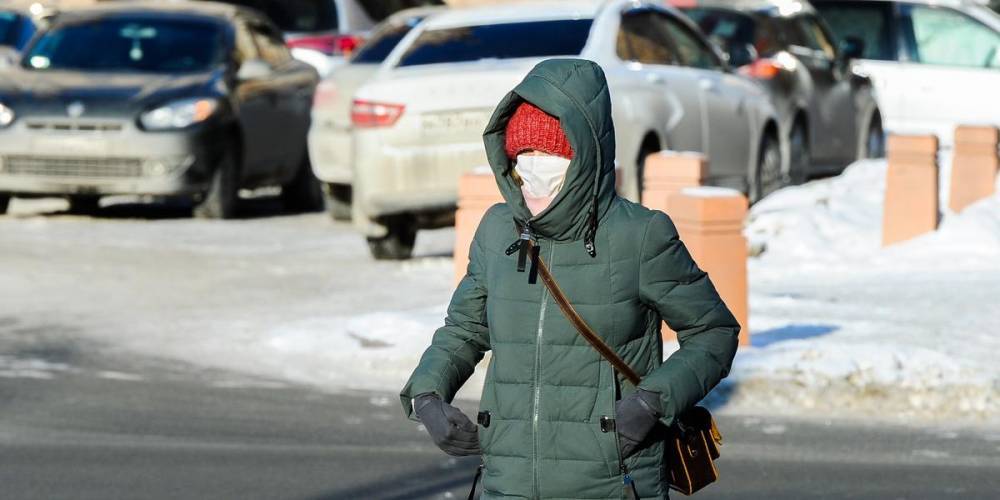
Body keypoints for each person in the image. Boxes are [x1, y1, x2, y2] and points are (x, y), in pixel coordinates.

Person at [399, 58, 740, 499]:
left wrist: (651, 404)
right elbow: (465, 329)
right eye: (523, 154)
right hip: (508, 481)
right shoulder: (497, 231)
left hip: (612, 481)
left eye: (549, 153)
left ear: (585, 153)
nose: (533, 167)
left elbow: (714, 332)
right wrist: (427, 396)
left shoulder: (639, 235)